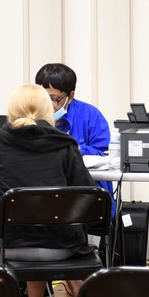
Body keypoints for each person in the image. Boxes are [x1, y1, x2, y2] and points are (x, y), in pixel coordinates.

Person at [0, 85, 97, 297]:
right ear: (48, 109)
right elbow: (87, 193)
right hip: (61, 248)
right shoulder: (65, 145)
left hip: (12, 246)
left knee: (29, 225)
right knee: (43, 225)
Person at [34, 62, 113, 207]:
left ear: (70, 97)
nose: (47, 105)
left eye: (53, 99)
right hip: (45, 193)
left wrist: (75, 148)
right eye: (43, 98)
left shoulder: (90, 115)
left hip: (85, 196)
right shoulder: (31, 116)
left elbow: (105, 155)